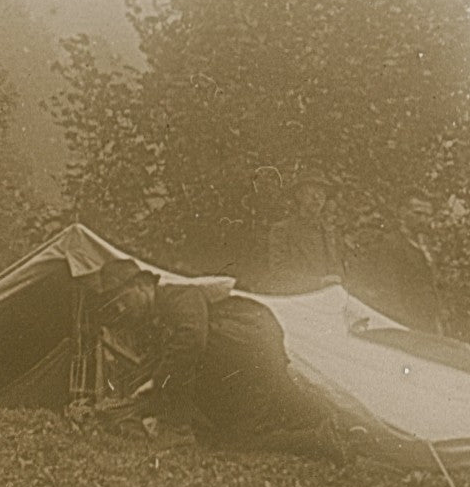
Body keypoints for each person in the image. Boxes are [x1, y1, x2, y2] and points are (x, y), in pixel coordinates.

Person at [90, 257, 345, 463]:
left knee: (238, 436)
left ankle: (324, 437)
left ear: (143, 285)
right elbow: (162, 365)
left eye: (123, 299)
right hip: (245, 364)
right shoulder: (158, 319)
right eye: (115, 306)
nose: (122, 309)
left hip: (247, 347)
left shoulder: (178, 296)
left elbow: (191, 341)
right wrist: (138, 396)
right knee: (239, 436)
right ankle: (329, 433)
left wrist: (158, 384)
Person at [349, 193, 444, 334]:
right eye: (417, 213)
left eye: (427, 215)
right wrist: (401, 325)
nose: (423, 219)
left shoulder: (425, 247)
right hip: (405, 324)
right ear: (403, 213)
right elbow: (388, 290)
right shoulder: (391, 244)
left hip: (427, 324)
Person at [266, 170, 344, 294]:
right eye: (311, 192)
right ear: (299, 195)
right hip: (295, 298)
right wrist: (318, 283)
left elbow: (338, 270)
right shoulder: (282, 230)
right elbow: (278, 273)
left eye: (321, 193)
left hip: (327, 298)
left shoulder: (329, 232)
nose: (317, 198)